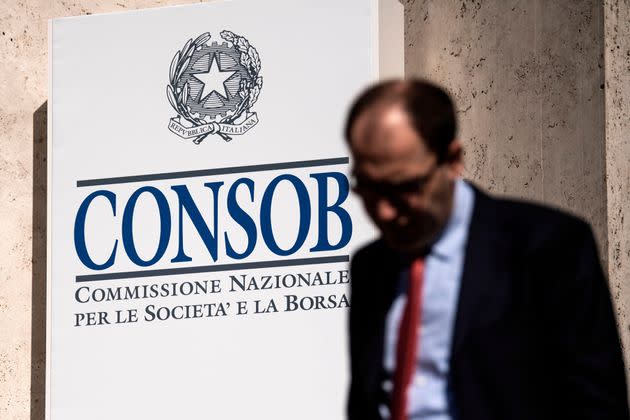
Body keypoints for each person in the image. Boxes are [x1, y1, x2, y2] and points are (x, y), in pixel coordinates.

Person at [345, 79, 629, 420]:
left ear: (452, 160)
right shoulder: (370, 266)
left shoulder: (548, 247)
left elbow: (597, 405)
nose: (385, 212)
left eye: (404, 188)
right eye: (369, 189)